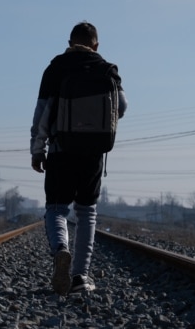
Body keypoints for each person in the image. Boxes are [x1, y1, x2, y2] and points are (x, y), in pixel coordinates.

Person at [30, 21, 127, 295]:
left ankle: (61, 249)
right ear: (96, 44)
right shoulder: (107, 69)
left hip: (62, 149)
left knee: (57, 209)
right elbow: (122, 105)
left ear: (70, 42)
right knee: (86, 212)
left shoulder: (56, 68)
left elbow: (41, 114)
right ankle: (80, 278)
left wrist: (37, 149)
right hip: (93, 152)